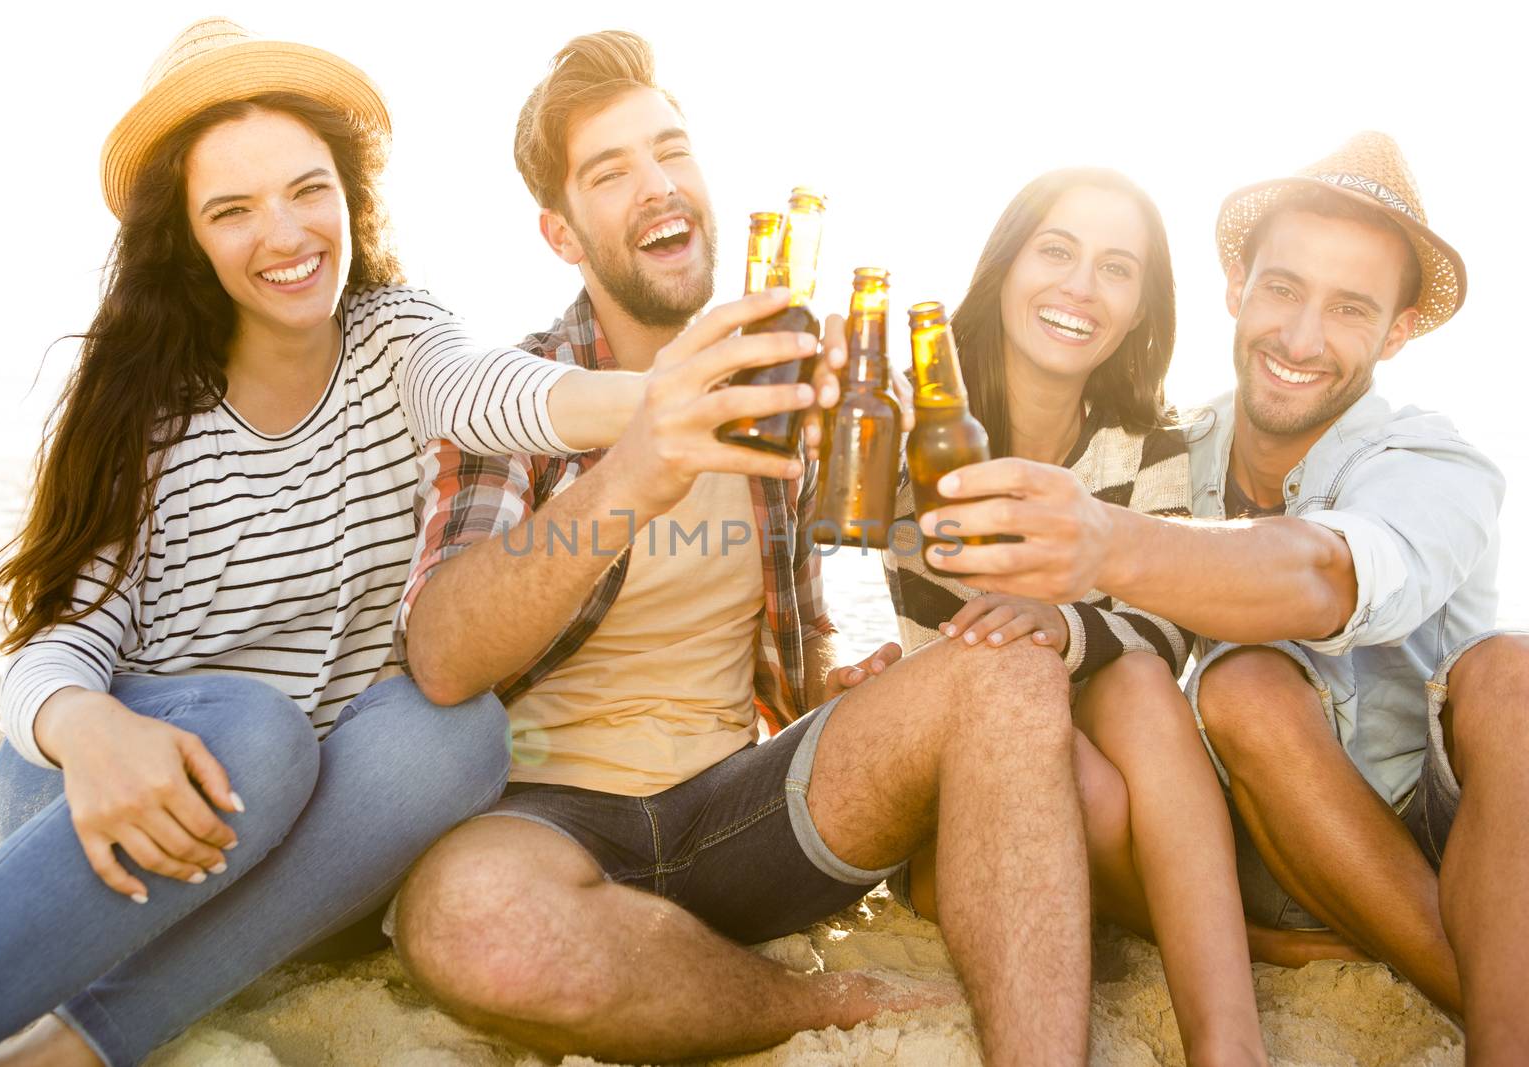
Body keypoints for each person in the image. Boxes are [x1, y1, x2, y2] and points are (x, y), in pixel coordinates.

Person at [0, 17, 687, 1067]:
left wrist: (662, 397)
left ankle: (79, 1040)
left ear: (349, 191)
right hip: (111, 792)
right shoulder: (136, 402)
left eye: (305, 188)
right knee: (253, 729)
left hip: (306, 840)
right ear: (185, 235)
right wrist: (91, 732)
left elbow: (493, 390)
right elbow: (58, 636)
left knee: (456, 736)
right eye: (232, 208)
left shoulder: (397, 334)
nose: (283, 233)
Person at [387, 30, 1091, 1066]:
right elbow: (442, 652)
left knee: (1010, 676)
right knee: (475, 924)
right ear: (562, 233)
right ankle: (817, 1003)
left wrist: (840, 691)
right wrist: (637, 461)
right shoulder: (520, 396)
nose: (657, 184)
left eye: (672, 152)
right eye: (611, 170)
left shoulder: (785, 380)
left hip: (739, 808)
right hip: (546, 814)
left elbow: (823, 612)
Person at [925, 132, 1529, 1060]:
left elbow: (1323, 574)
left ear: (1397, 330)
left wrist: (1111, 540)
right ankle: (1451, 981)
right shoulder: (1163, 445)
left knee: (1509, 674)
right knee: (1203, 690)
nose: (1298, 337)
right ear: (1237, 286)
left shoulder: (1437, 461)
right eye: (1282, 289)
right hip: (1239, 841)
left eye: (1349, 307)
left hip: (1434, 840)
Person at [881, 167, 1268, 1065]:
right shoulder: (918, 412)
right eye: (1056, 250)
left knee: (1134, 676)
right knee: (1075, 760)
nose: (1080, 288)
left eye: (1116, 269)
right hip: (961, 772)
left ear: (1141, 311)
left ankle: (1229, 1046)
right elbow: (812, 545)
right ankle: (1241, 941)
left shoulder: (1153, 442)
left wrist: (1061, 626)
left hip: (1100, 735)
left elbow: (1169, 625)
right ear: (1007, 266)